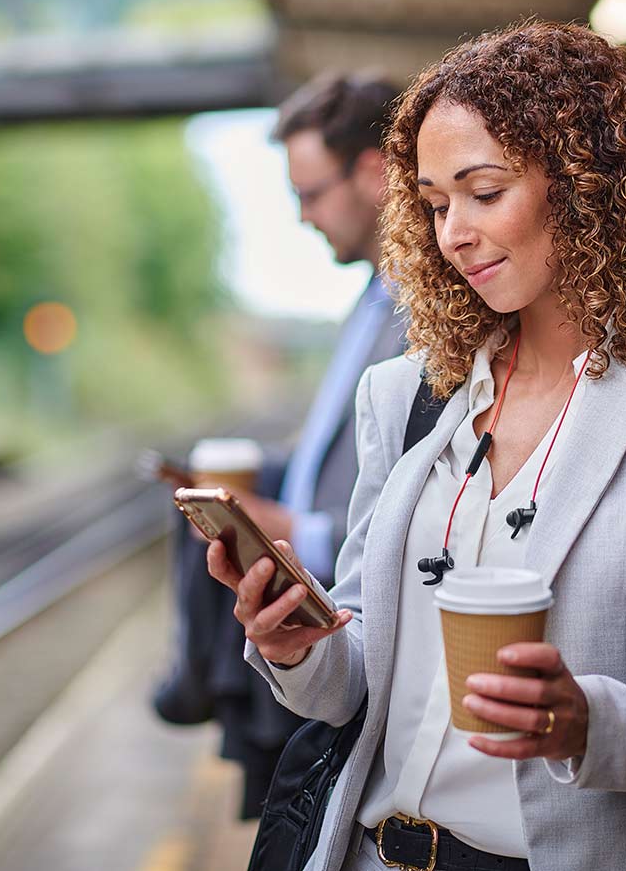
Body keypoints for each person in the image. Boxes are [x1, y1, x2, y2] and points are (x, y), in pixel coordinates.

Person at [208, 22, 626, 871]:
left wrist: (591, 724)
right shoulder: (408, 393)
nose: (452, 232)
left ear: (587, 184)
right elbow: (352, 684)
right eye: (432, 203)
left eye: (483, 191)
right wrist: (295, 644)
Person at [152, 72, 407, 819]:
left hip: (347, 616)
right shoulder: (370, 300)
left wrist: (299, 529)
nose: (301, 217)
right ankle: (200, 674)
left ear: (373, 172)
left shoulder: (422, 310)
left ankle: (197, 678)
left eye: (312, 193)